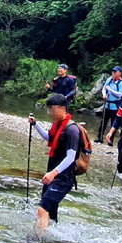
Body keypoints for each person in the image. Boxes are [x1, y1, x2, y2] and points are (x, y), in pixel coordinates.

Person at [29, 93, 82, 234]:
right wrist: (35, 125)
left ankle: (37, 241)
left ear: (62, 108)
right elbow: (49, 138)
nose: (49, 112)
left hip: (63, 178)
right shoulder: (57, 125)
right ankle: (54, 242)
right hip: (53, 175)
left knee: (42, 209)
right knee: (50, 213)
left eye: (51, 109)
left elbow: (71, 157)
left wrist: (54, 173)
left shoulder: (72, 130)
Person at [97, 66, 122, 140]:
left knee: (114, 123)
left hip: (115, 106)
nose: (113, 73)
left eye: (115, 71)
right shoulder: (109, 79)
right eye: (113, 71)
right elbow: (104, 88)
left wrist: (110, 90)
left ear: (119, 73)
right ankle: (99, 137)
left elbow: (120, 94)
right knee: (103, 121)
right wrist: (104, 94)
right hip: (107, 104)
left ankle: (110, 140)